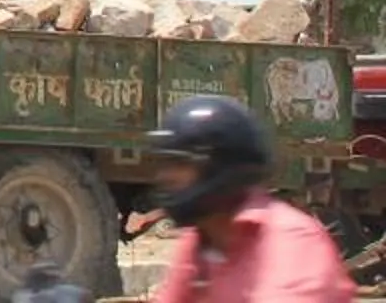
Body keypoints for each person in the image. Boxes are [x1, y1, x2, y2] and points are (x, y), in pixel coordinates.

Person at [146, 94, 352, 303]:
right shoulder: (200, 242)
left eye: (179, 164)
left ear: (219, 167)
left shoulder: (291, 241)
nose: (166, 177)